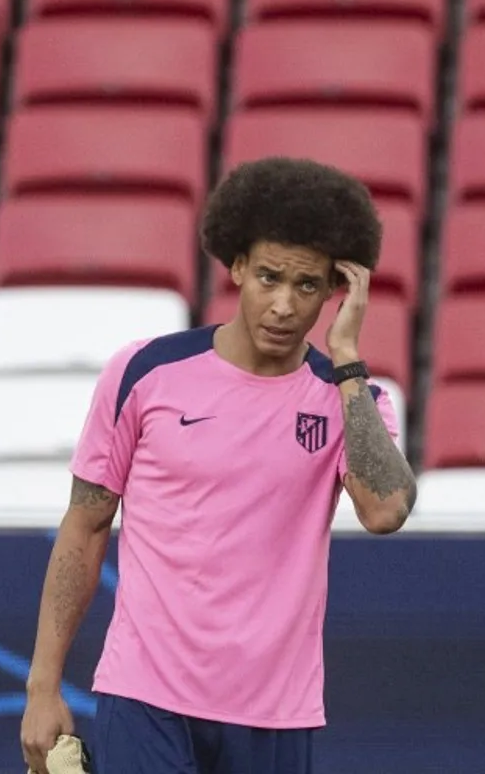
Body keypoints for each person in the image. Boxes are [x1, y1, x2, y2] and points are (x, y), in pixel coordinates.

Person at [21, 157, 417, 774]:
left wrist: (345, 356)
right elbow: (86, 524)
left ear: (337, 291)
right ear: (235, 265)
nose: (284, 305)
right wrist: (42, 686)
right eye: (268, 277)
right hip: (144, 695)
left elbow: (386, 509)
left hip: (275, 712)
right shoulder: (143, 373)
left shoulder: (351, 396)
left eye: (308, 285)